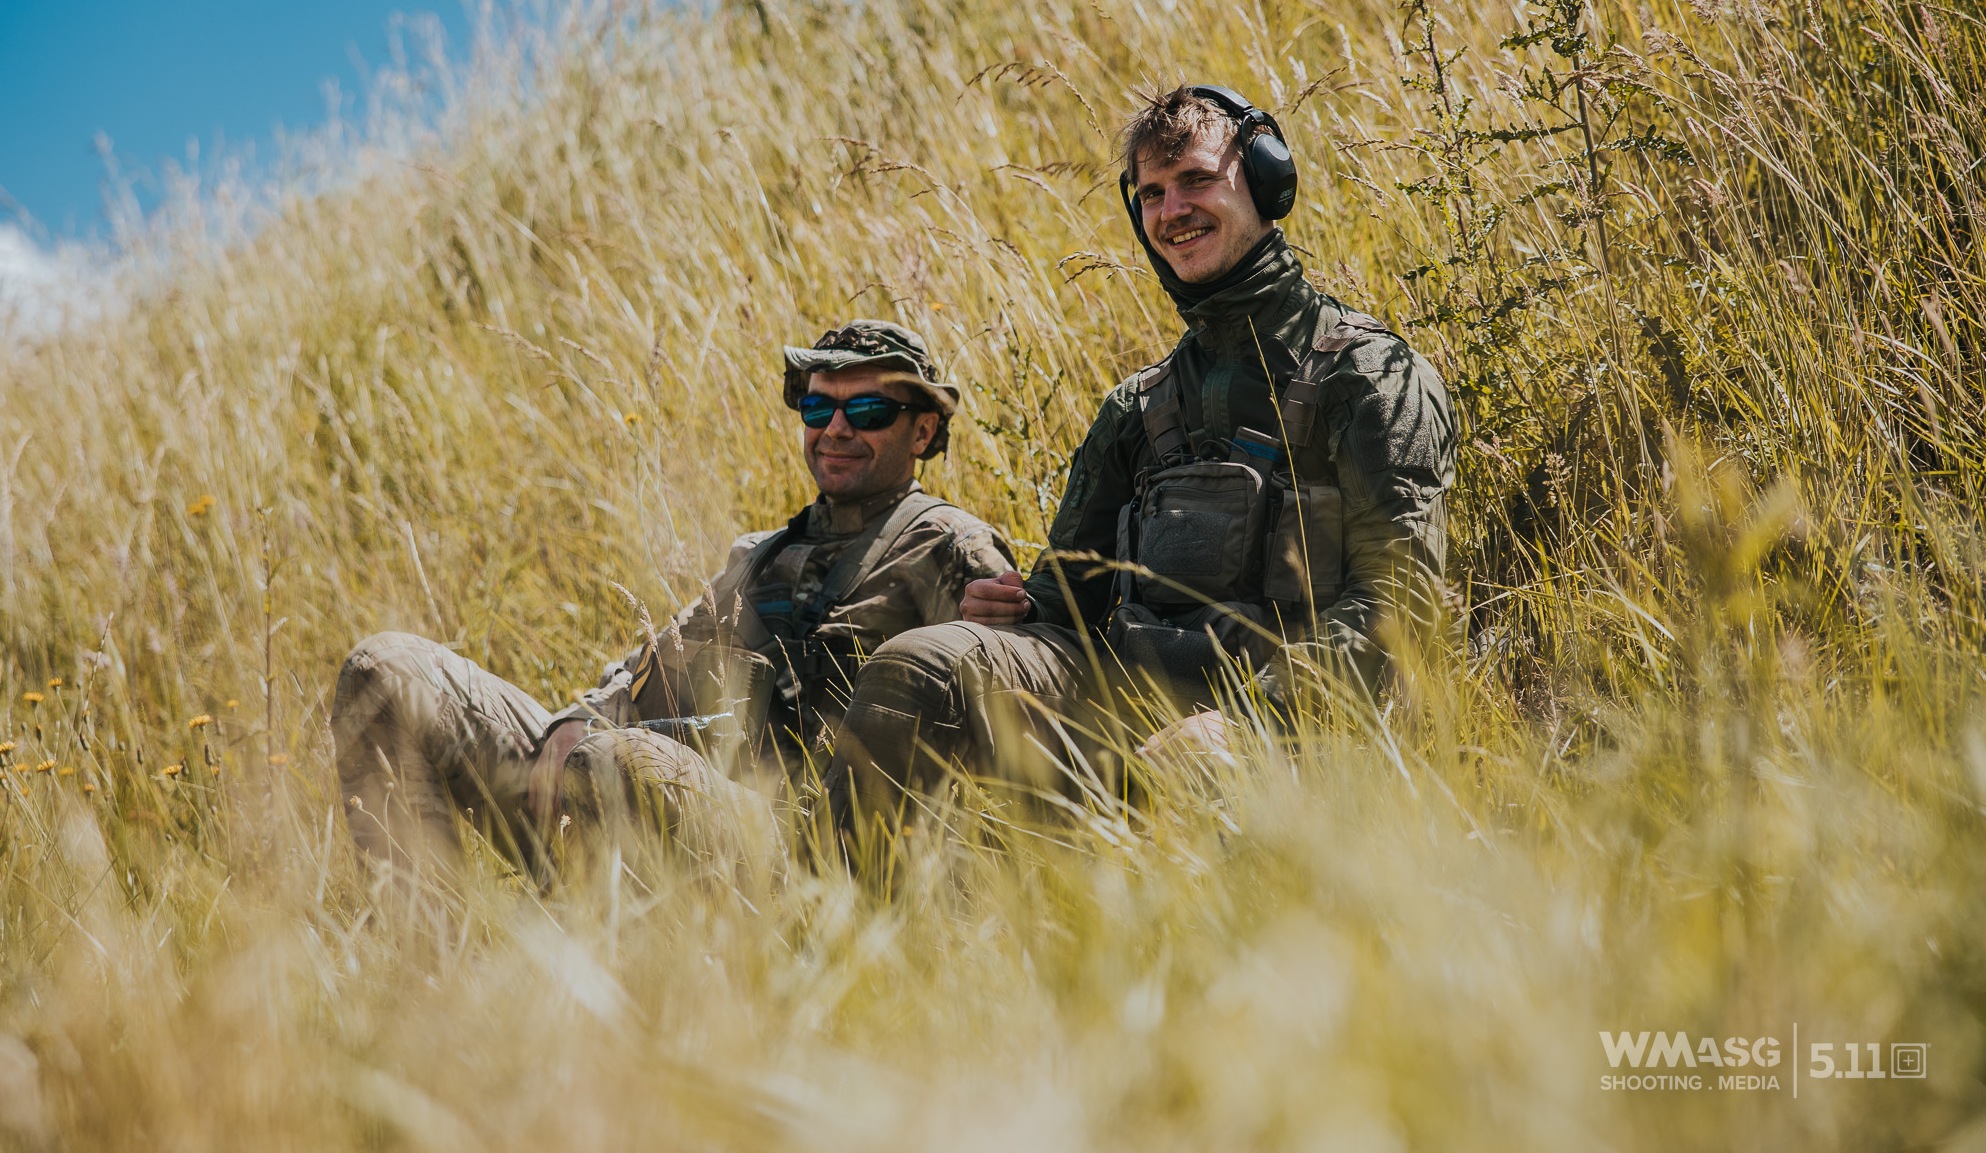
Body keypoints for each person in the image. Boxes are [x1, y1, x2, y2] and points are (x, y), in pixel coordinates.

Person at [825, 84, 1459, 825]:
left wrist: (1252, 720)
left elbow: (1401, 603)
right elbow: (1068, 602)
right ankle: (843, 925)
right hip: (1129, 717)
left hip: (1299, 731)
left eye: (1195, 179)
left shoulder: (1370, 376)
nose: (1172, 211)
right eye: (1151, 193)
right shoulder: (1139, 406)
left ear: (1263, 179)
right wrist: (1018, 608)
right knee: (919, 666)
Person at [330, 319, 1015, 886]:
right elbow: (650, 670)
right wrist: (579, 718)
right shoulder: (761, 555)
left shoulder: (949, 543)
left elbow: (1009, 706)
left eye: (866, 410)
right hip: (644, 788)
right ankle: (429, 970)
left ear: (922, 432)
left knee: (615, 760)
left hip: (806, 855)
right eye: (817, 407)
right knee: (384, 669)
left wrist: (997, 634)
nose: (835, 427)